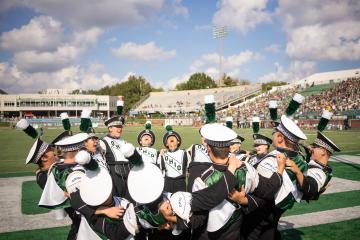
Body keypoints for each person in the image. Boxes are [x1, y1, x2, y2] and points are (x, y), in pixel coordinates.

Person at [161, 123, 243, 240]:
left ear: (209, 148)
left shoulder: (202, 181)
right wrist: (244, 200)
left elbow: (196, 219)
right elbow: (267, 190)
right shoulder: (243, 168)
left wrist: (170, 218)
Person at [286, 131, 340, 200]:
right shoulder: (318, 164)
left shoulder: (320, 173)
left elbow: (309, 189)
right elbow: (308, 152)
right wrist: (302, 144)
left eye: (315, 147)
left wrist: (297, 171)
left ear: (323, 151)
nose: (311, 148)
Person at [101, 115, 143, 200]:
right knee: (117, 203)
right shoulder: (102, 142)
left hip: (129, 175)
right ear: (110, 128)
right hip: (114, 177)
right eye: (117, 127)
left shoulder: (124, 142)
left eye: (120, 127)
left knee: (131, 202)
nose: (119, 129)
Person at [159, 125, 188, 193]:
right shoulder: (162, 154)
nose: (171, 137)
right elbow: (160, 169)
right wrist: (160, 154)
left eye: (174, 137)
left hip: (180, 182)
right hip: (167, 182)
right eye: (168, 138)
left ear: (178, 142)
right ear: (166, 144)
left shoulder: (184, 152)